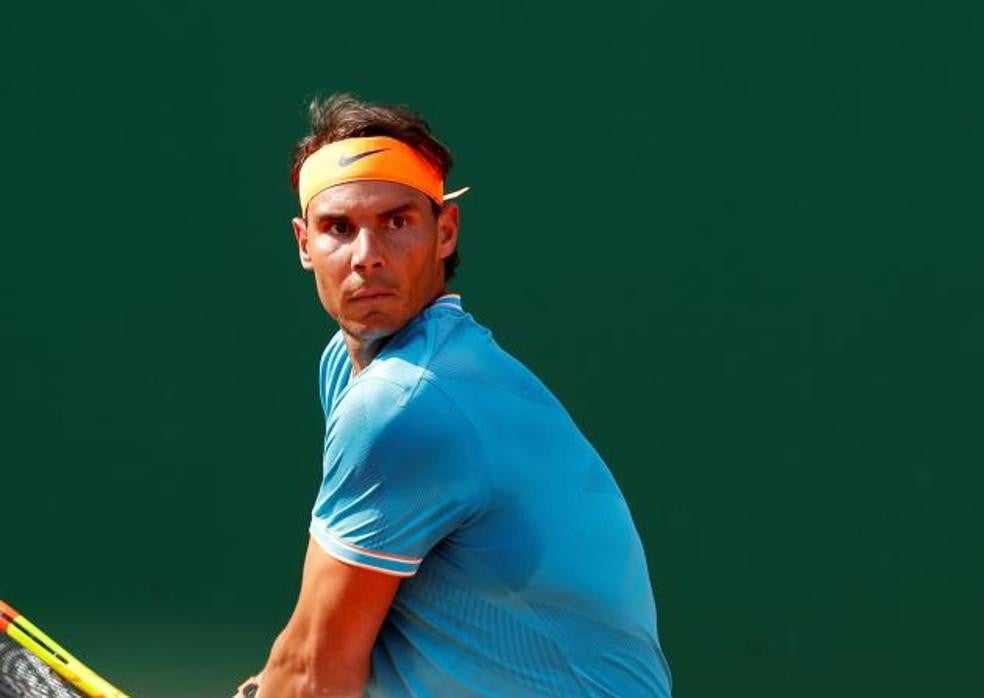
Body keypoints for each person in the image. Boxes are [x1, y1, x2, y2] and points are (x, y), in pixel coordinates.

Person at [235, 94, 671, 697]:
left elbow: (316, 673)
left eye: (396, 222)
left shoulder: (403, 400)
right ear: (304, 244)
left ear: (445, 231)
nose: (367, 257)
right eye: (339, 228)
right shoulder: (357, 367)